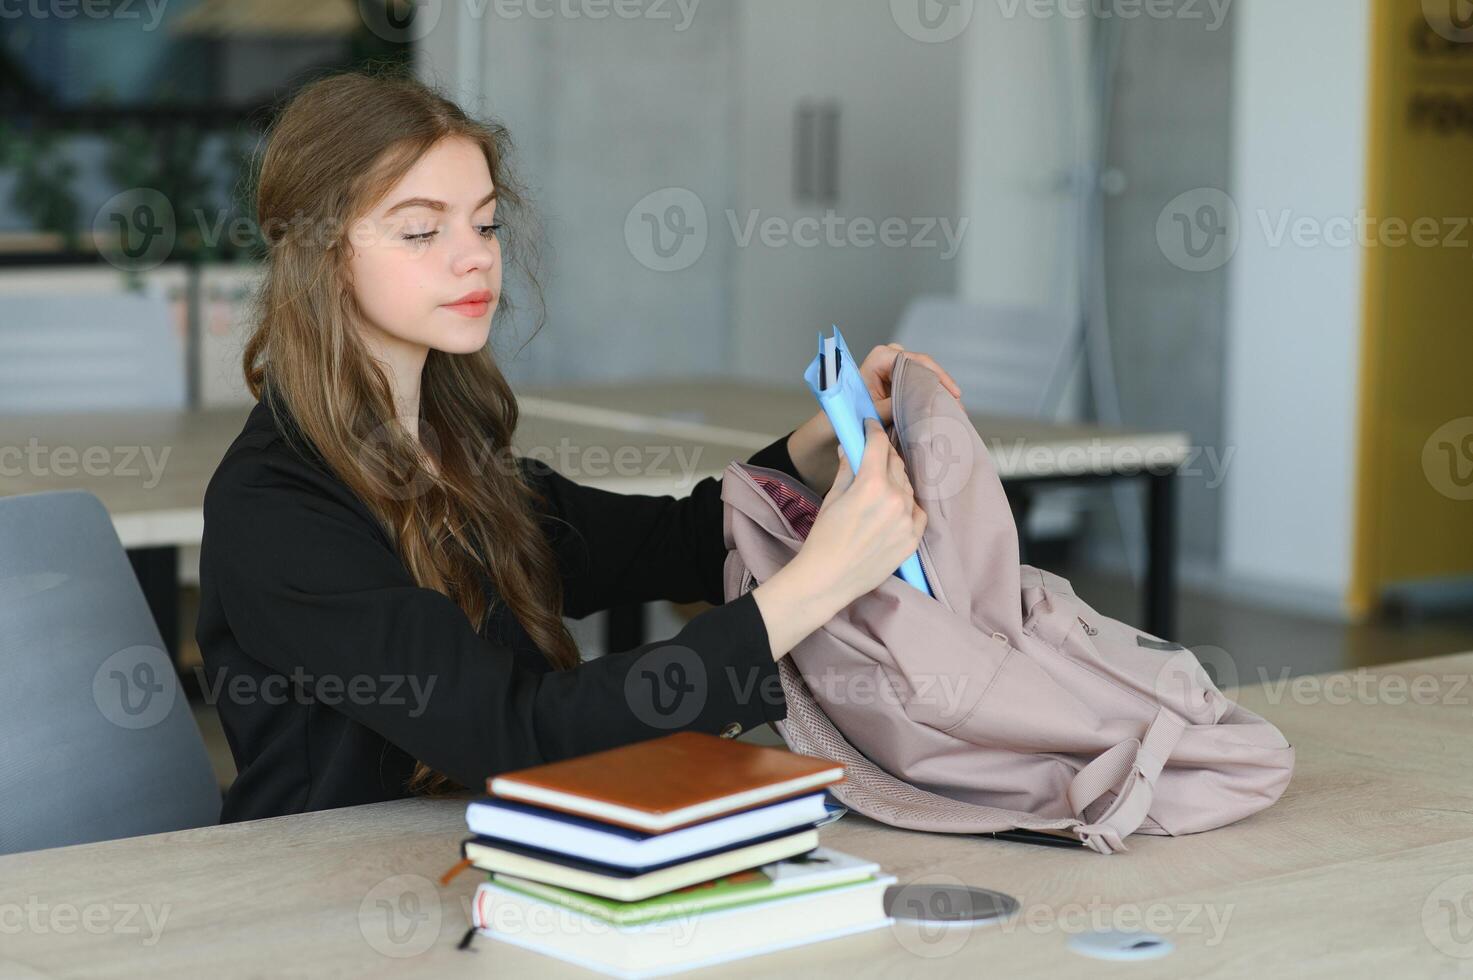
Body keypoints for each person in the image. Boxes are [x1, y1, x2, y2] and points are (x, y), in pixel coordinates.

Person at [197, 70, 964, 822]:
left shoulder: (456, 455)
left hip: (475, 862)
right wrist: (814, 586)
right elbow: (519, 737)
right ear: (322, 257)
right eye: (423, 230)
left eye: (486, 223)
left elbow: (671, 542)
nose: (475, 256)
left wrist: (813, 447)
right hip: (316, 901)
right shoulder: (276, 506)